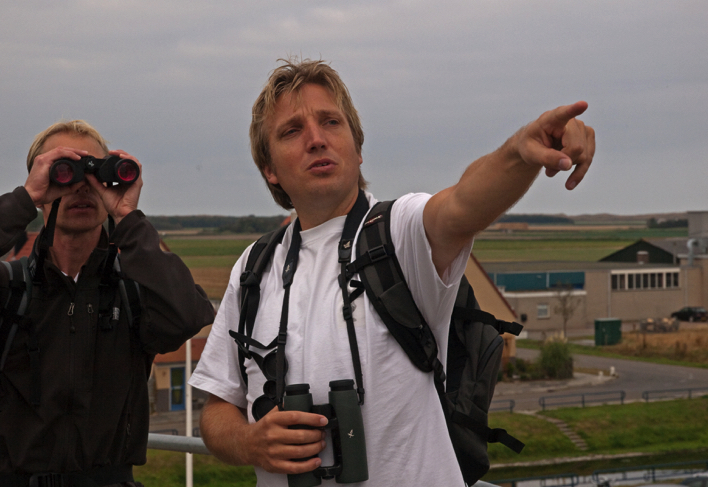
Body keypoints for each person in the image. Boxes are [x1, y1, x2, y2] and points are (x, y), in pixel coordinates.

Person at [190, 59, 595, 486]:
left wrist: (520, 152)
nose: (316, 139)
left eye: (331, 122)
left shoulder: (397, 234)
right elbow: (218, 408)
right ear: (269, 169)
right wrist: (250, 442)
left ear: (357, 148)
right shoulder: (254, 268)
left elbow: (462, 204)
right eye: (291, 131)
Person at [0, 120, 215, 487]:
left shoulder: (131, 293)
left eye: (96, 173)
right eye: (64, 171)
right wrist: (25, 199)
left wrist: (127, 217)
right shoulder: (12, 291)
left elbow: (186, 315)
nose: (83, 186)